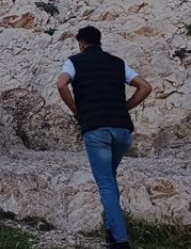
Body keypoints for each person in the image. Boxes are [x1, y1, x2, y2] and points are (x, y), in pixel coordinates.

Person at [56, 26, 153, 249]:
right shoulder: (118, 63)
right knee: (110, 177)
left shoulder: (74, 61)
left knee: (106, 184)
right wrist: (124, 107)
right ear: (100, 42)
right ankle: (111, 232)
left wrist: (76, 111)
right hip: (122, 131)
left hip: (96, 130)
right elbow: (145, 87)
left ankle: (120, 242)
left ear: (81, 43)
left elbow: (61, 84)